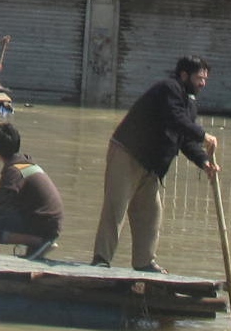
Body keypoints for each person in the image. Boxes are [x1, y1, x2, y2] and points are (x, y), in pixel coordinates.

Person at [91, 55, 219, 272]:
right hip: (128, 153)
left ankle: (144, 262)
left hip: (151, 166)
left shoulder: (189, 104)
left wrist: (204, 161)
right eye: (199, 78)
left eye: (205, 79)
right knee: (116, 208)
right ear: (184, 75)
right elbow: (174, 118)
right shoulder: (168, 89)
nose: (203, 83)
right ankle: (101, 259)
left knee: (151, 214)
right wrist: (203, 135)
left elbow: (185, 139)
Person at [0, 122, 63, 260]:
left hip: (44, 225)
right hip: (50, 222)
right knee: (1, 211)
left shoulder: (14, 171)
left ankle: (39, 241)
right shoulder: (26, 163)